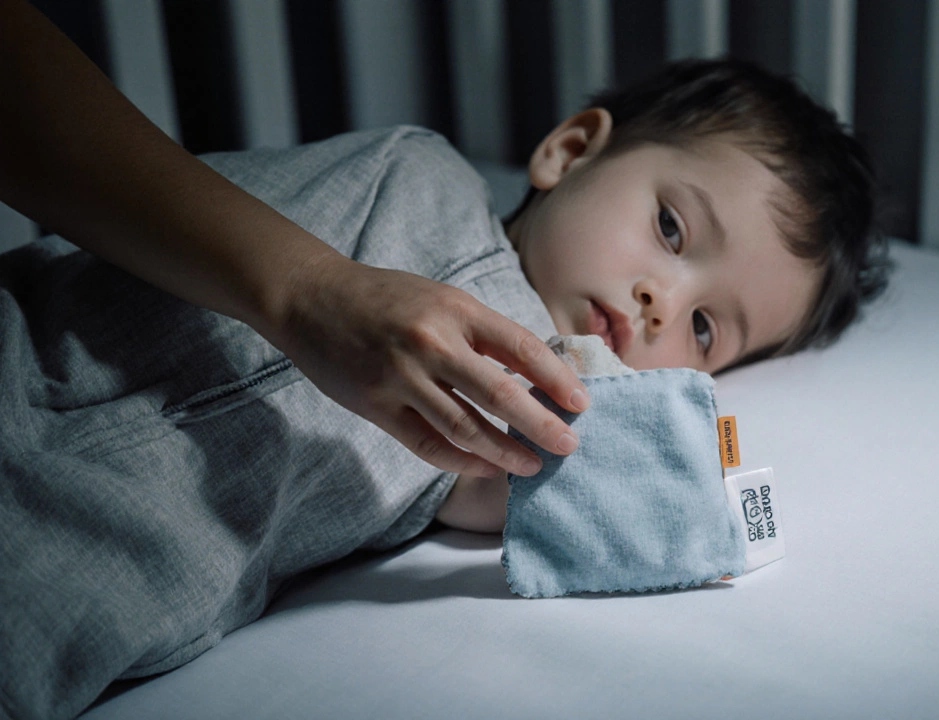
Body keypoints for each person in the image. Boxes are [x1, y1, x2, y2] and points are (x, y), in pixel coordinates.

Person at [0, 1, 887, 717]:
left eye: (705, 331)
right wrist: (312, 287)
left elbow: (515, 499)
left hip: (76, 600)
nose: (664, 301)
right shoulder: (411, 176)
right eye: (669, 228)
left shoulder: (562, 404)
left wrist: (686, 486)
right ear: (570, 150)